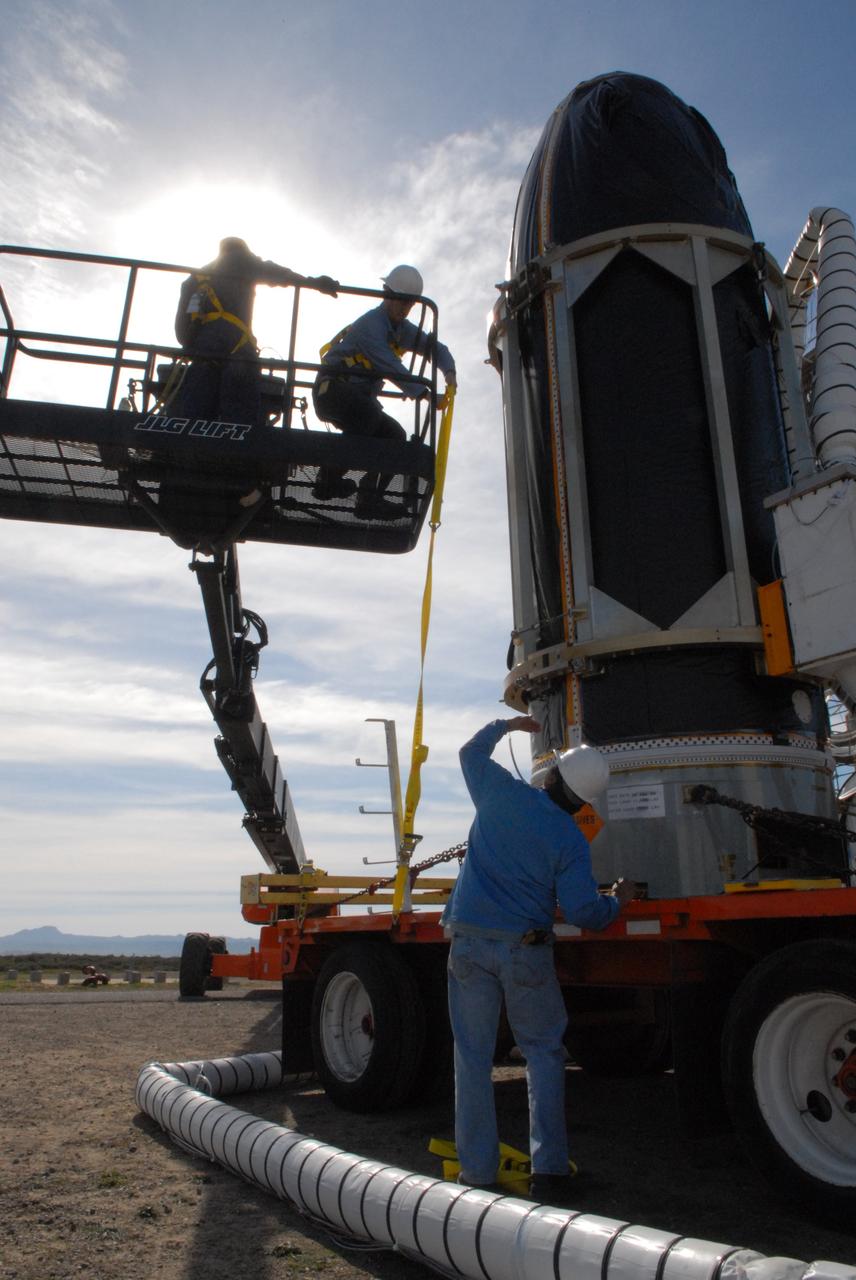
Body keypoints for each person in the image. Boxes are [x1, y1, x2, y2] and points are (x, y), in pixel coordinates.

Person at [442, 716, 637, 1202]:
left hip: (468, 944)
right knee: (543, 1055)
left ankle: (478, 1174)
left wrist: (505, 724)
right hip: (525, 952)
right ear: (582, 801)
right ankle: (548, 1171)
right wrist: (619, 901)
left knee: (471, 1058)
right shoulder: (570, 841)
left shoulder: (500, 792)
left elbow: (469, 754)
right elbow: (584, 912)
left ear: (550, 777)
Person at [312, 264, 456, 520]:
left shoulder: (402, 330)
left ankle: (369, 498)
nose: (404, 308)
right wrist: (425, 394)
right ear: (386, 294)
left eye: (410, 304)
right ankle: (328, 478)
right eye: (400, 301)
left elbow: (435, 348)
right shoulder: (372, 325)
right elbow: (389, 364)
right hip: (331, 390)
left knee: (395, 436)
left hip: (358, 400)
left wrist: (449, 373)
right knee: (368, 417)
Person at [173, 236, 339, 431]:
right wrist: (314, 283)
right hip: (237, 349)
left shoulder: (195, 278)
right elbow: (276, 273)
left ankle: (186, 450)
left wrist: (197, 346)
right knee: (239, 420)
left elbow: (181, 332)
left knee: (194, 419)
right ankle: (238, 454)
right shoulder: (242, 259)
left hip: (202, 352)